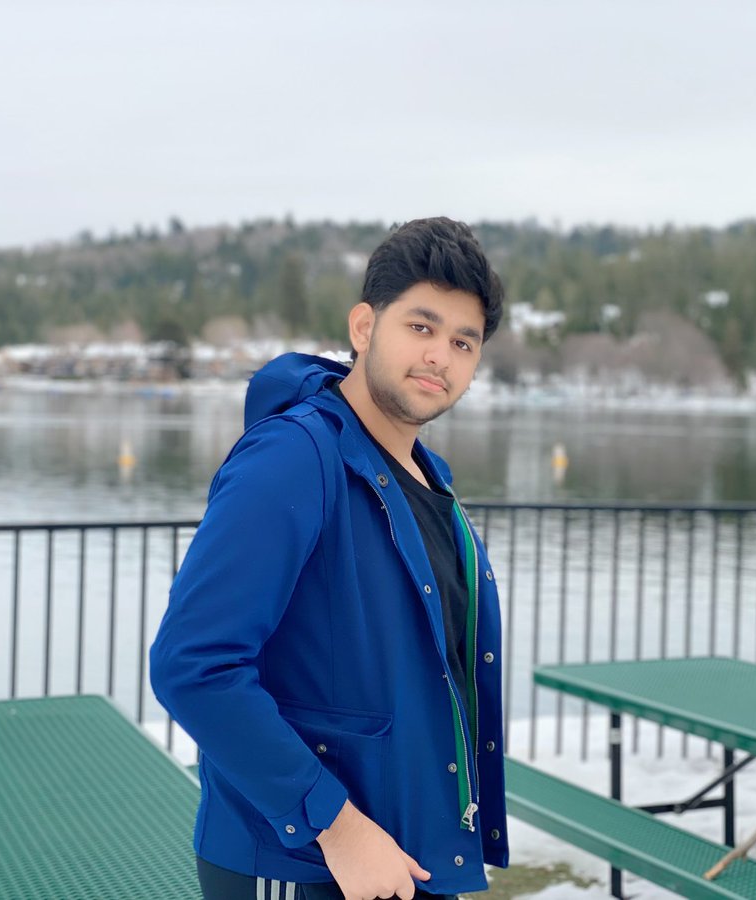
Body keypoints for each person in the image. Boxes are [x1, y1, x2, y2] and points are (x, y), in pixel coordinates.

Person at [150, 217, 509, 900]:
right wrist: (337, 828)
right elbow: (193, 666)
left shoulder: (430, 478)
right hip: (302, 866)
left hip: (409, 859)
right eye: (422, 326)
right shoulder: (292, 457)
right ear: (364, 327)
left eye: (464, 342)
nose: (440, 355)